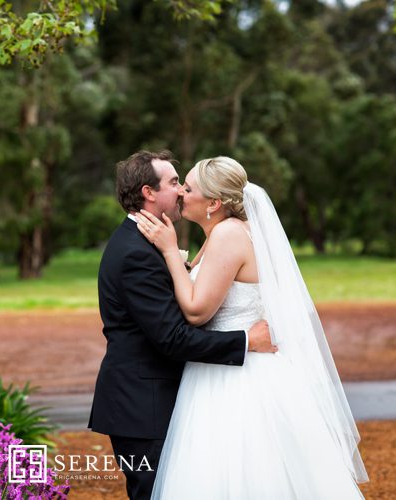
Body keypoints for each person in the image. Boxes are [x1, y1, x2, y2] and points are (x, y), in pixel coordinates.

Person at [135, 156, 368, 499]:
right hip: (223, 366)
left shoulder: (228, 234)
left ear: (213, 203)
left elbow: (198, 312)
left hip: (236, 379)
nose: (182, 193)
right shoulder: (223, 233)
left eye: (189, 187)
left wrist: (170, 252)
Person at [87, 150, 276, 500]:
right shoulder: (135, 253)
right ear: (148, 192)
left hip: (169, 398)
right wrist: (246, 341)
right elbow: (173, 338)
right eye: (175, 183)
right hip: (143, 408)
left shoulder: (155, 242)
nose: (181, 192)